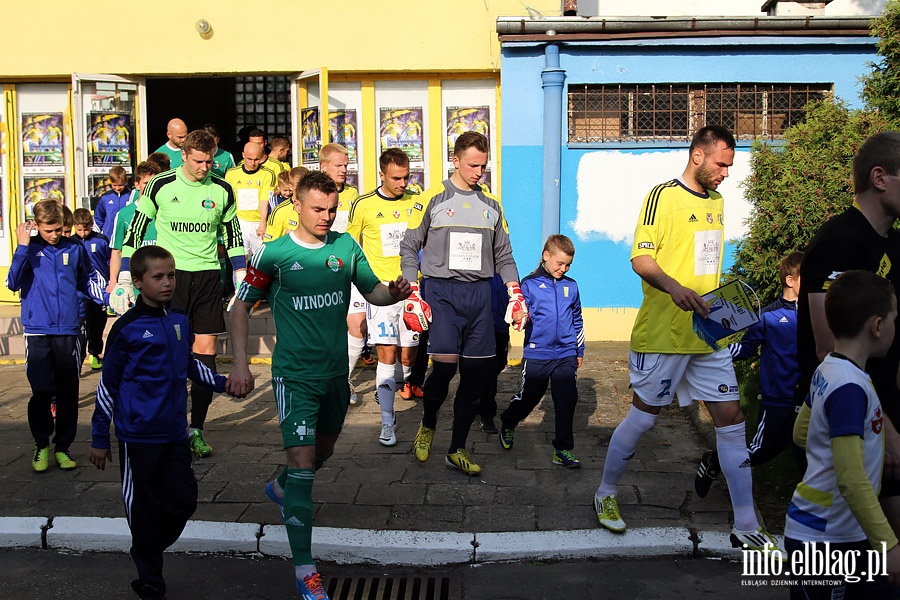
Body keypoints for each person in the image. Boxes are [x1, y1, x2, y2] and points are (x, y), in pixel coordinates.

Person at [227, 171, 410, 600]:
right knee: (305, 468)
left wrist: (394, 291)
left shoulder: (345, 247)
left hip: (335, 377)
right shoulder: (274, 254)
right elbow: (239, 308)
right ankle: (305, 570)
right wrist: (240, 364)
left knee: (322, 455)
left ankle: (279, 487)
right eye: (318, 209)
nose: (327, 217)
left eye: (332, 209)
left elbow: (373, 292)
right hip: (294, 376)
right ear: (297, 205)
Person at [592, 125, 777, 551]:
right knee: (642, 419)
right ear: (698, 155)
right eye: (721, 164)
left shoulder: (717, 201)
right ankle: (605, 493)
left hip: (708, 337)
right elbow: (641, 257)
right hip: (662, 336)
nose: (726, 173)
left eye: (730, 166)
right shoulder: (662, 196)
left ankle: (747, 523)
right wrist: (674, 288)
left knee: (731, 420)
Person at [89, 245, 230, 600]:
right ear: (138, 282)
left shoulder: (179, 319)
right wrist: (99, 438)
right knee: (143, 508)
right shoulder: (126, 328)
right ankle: (149, 576)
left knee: (184, 501)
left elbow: (190, 365)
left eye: (171, 275)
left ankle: (148, 547)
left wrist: (224, 383)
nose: (168, 283)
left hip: (173, 435)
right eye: (158, 277)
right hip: (137, 437)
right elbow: (108, 386)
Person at [400, 131, 523, 476]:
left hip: (481, 296)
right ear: (455, 160)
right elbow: (410, 246)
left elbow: (504, 255)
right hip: (441, 293)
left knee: (476, 376)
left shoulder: (493, 205)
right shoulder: (430, 199)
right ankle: (427, 424)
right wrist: (412, 290)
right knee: (443, 366)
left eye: (483, 166)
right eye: (472, 165)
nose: (478, 172)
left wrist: (515, 293)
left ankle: (456, 449)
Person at [796, 131, 900, 535]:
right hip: (856, 414)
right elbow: (829, 349)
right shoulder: (838, 242)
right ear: (880, 177)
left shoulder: (893, 242)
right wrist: (885, 426)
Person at [121, 129, 246, 458]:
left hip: (206, 277)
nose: (206, 167)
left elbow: (231, 232)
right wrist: (123, 274)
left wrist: (240, 270)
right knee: (166, 353)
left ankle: (197, 429)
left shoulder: (221, 188)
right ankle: (163, 423)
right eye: (200, 161)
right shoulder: (160, 183)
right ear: (185, 156)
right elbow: (135, 226)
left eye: (210, 161)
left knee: (206, 355)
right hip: (168, 278)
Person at [785, 270, 900, 598]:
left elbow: (801, 432)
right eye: (894, 319)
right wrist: (888, 546)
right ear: (877, 327)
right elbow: (850, 478)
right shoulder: (850, 388)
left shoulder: (830, 368)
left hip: (838, 535)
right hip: (826, 546)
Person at [695, 251, 805, 498]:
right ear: (790, 280)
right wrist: (715, 354)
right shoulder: (767, 316)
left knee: (810, 454)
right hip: (779, 398)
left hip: (809, 398)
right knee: (762, 450)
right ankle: (715, 461)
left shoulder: (815, 313)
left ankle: (810, 506)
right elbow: (746, 348)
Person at [7, 201, 103, 472]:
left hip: (68, 330)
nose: (54, 234)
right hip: (37, 330)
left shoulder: (73, 248)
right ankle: (41, 445)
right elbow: (12, 282)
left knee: (67, 392)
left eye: (59, 229)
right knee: (41, 392)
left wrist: (108, 298)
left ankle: (63, 447)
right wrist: (22, 246)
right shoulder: (30, 249)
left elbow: (86, 281)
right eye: (48, 230)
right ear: (36, 226)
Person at [346, 148, 421, 445]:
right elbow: (350, 244)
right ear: (382, 175)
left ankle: (389, 386)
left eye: (406, 177)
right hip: (381, 292)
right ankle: (387, 423)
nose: (403, 183)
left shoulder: (417, 201)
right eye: (396, 178)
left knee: (407, 360)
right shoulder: (363, 204)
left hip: (413, 289)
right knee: (386, 356)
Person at [497, 235, 584, 467]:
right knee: (529, 398)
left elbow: (577, 318)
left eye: (568, 265)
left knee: (567, 399)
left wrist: (579, 349)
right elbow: (520, 313)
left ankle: (562, 449)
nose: (563, 269)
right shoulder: (529, 284)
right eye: (559, 263)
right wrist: (518, 317)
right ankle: (509, 421)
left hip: (566, 353)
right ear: (546, 256)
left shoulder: (571, 286)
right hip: (538, 353)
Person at [319, 143, 367, 403]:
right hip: (319, 273)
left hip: (347, 271)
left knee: (358, 326)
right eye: (339, 165)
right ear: (323, 166)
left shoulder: (353, 196)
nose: (344, 170)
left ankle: (342, 379)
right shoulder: (309, 194)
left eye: (346, 165)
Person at [108, 160, 162, 294]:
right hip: (136, 285)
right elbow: (117, 251)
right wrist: (114, 282)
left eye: (154, 183)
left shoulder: (167, 212)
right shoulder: (124, 214)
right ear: (137, 185)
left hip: (162, 282)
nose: (151, 187)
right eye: (146, 183)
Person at [74, 208, 111, 370]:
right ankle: (78, 358)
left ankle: (95, 353)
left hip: (100, 289)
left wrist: (111, 282)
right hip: (80, 292)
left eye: (86, 229)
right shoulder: (71, 243)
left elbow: (110, 261)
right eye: (80, 230)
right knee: (81, 325)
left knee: (98, 324)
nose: (83, 233)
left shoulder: (101, 240)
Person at [225, 141, 277, 258]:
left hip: (258, 222)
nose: (253, 163)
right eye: (249, 159)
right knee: (241, 259)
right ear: (243, 155)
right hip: (240, 221)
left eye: (256, 159)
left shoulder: (267, 174)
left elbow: (265, 199)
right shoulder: (232, 174)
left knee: (260, 260)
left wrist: (263, 223)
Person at [476, 273, 512, 433]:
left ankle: (480, 398)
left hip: (501, 326)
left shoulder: (507, 267)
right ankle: (487, 415)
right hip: (481, 327)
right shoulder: (479, 264)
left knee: (498, 365)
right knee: (486, 372)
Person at [94, 165, 130, 241]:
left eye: (120, 185)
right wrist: (100, 235)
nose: (117, 188)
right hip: (108, 238)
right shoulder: (105, 197)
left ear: (126, 181)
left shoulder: (131, 196)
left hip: (127, 237)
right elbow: (98, 217)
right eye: (114, 185)